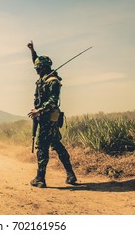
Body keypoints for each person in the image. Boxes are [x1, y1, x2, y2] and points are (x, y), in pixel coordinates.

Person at [27, 41, 77, 188]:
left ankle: (40, 179)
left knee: (42, 148)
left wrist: (39, 110)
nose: (36, 70)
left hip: (48, 120)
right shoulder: (45, 77)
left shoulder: (52, 82)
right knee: (57, 145)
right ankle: (70, 175)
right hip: (47, 120)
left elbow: (53, 102)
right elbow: (36, 61)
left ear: (42, 68)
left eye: (37, 68)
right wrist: (32, 50)